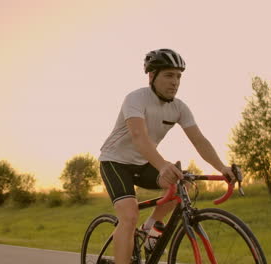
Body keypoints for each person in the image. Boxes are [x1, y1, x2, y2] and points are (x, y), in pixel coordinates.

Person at [98, 49, 236, 264]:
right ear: (152, 76)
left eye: (179, 76)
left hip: (144, 162)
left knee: (182, 183)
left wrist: (222, 167)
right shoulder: (135, 98)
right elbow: (138, 136)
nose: (175, 82)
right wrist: (162, 165)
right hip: (115, 162)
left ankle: (150, 227)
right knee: (129, 216)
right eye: (169, 75)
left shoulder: (179, 107)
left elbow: (199, 140)